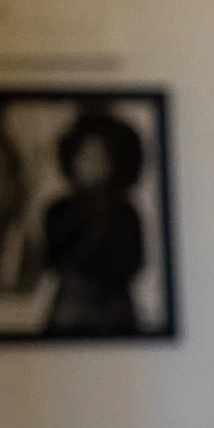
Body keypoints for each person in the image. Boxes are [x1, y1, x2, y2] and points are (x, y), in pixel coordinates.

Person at [40, 109, 148, 335]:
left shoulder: (125, 212)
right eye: (86, 156)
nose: (92, 164)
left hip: (115, 310)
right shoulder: (59, 211)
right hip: (72, 307)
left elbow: (135, 263)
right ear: (72, 159)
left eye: (101, 156)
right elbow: (53, 260)